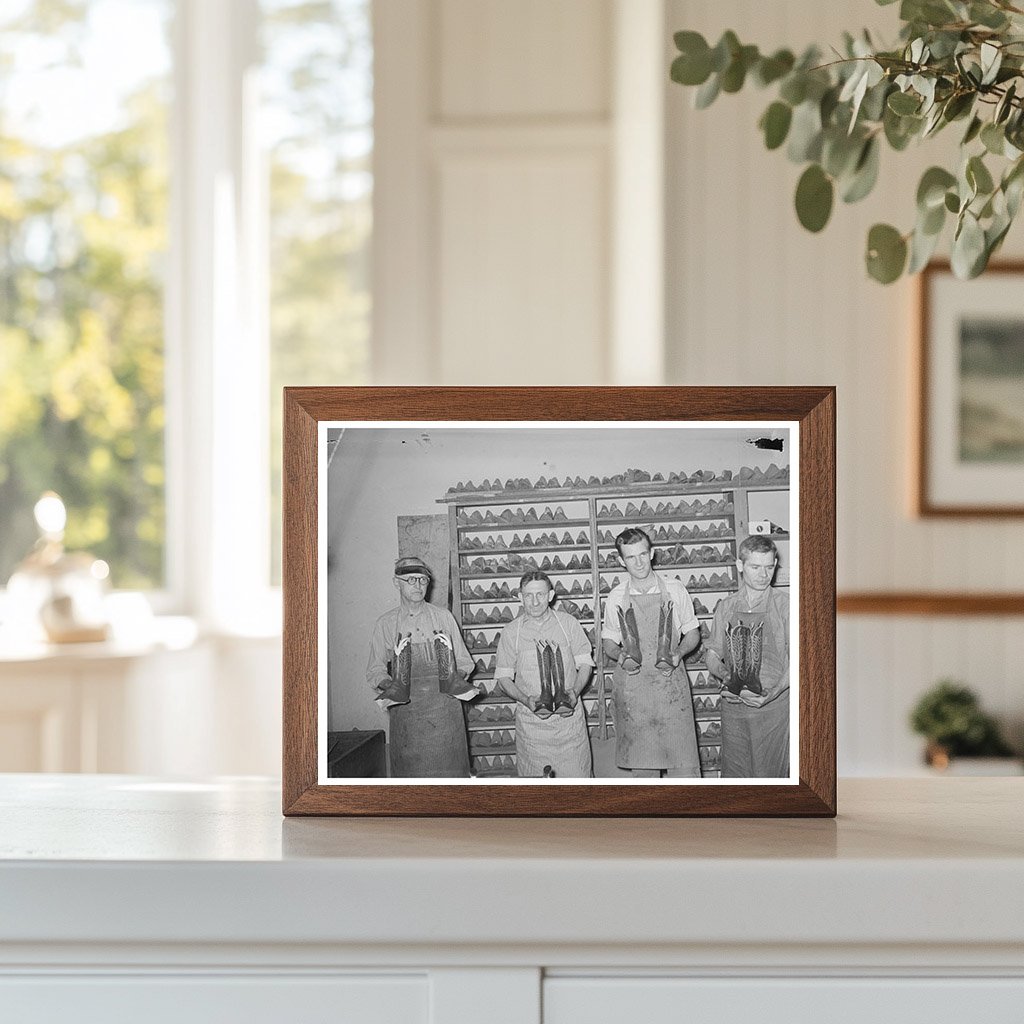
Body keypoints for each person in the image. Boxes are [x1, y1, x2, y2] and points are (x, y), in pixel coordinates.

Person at [601, 527, 702, 777]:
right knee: (644, 775)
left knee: (685, 769)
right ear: (621, 561)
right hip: (636, 692)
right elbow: (609, 643)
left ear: (652, 553)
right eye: (631, 557)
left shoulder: (675, 589)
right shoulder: (615, 597)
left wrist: (678, 653)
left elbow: (693, 634)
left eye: (643, 554)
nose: (639, 562)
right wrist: (620, 656)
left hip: (671, 689)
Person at [366, 556, 480, 778]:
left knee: (452, 784)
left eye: (422, 580)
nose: (418, 586)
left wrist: (456, 678)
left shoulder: (443, 618)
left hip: (446, 718)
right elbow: (374, 671)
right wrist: (392, 685)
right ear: (396, 582)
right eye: (410, 580)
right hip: (407, 720)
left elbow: (465, 661)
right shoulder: (386, 624)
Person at [493, 570, 594, 777]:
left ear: (551, 595)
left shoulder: (568, 624)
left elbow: (585, 665)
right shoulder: (512, 631)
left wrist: (575, 691)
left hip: (569, 725)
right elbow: (503, 678)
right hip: (532, 728)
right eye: (528, 595)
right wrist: (525, 699)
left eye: (540, 594)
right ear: (520, 597)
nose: (535, 601)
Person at [704, 535, 790, 779]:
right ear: (740, 566)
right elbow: (712, 655)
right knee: (736, 776)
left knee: (771, 775)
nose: (764, 575)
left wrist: (772, 695)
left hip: (774, 706)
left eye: (769, 567)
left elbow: (799, 660)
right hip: (734, 706)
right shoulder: (727, 606)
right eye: (755, 567)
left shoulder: (786, 605)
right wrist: (725, 675)